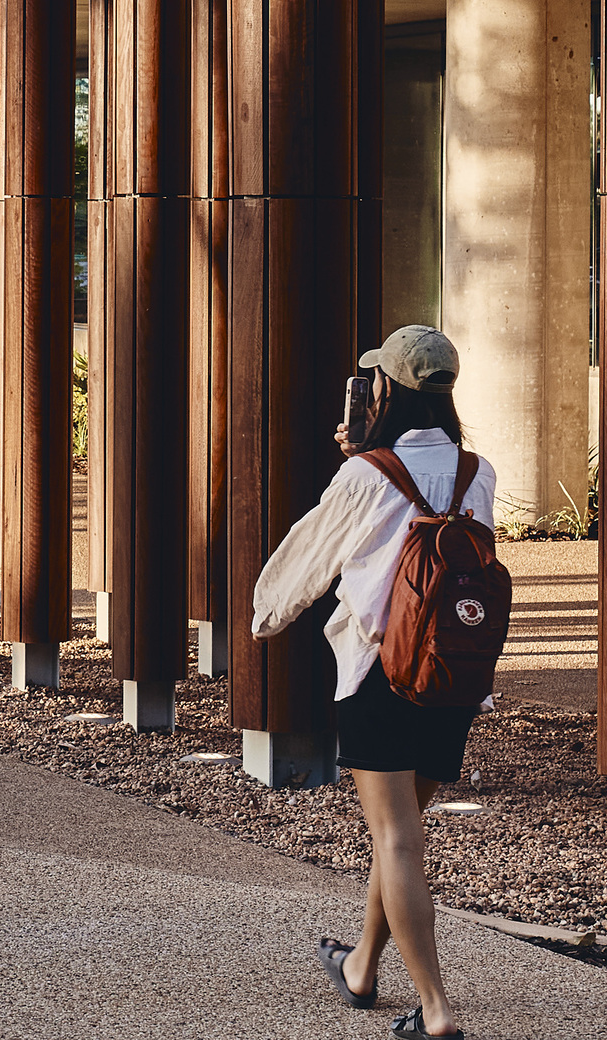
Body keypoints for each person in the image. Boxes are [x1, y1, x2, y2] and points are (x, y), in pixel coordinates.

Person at [251, 323, 497, 1039]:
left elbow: (307, 558)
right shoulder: (476, 472)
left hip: (382, 675)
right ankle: (361, 966)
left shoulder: (365, 474)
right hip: (453, 677)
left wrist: (265, 616)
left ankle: (437, 1010)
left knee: (396, 841)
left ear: (383, 388)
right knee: (403, 835)